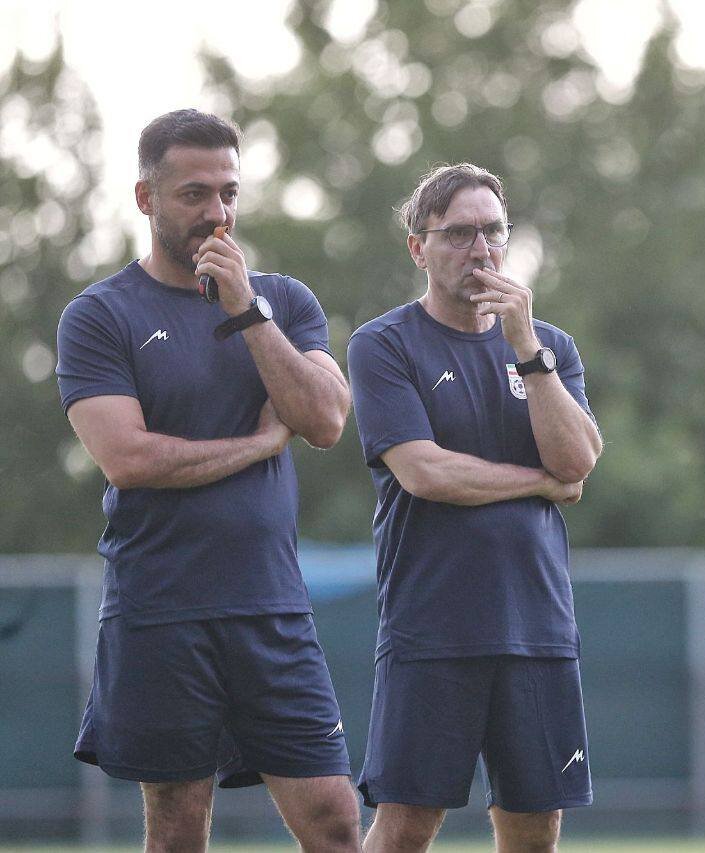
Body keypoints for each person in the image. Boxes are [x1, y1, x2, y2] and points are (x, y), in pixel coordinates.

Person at [55, 109, 360, 852]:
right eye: (193, 193)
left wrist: (247, 311)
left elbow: (324, 420)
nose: (217, 213)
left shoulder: (283, 301)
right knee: (177, 831)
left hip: (273, 609)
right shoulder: (99, 315)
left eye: (228, 192)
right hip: (161, 609)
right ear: (145, 198)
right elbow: (129, 459)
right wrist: (258, 445)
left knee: (334, 820)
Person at [347, 163, 602, 852]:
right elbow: (425, 472)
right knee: (405, 826)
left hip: (537, 628)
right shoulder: (383, 344)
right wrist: (538, 482)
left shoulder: (549, 346)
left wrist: (527, 350)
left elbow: (578, 462)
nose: (480, 249)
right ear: (419, 247)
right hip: (434, 627)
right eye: (458, 233)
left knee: (535, 831)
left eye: (493, 231)